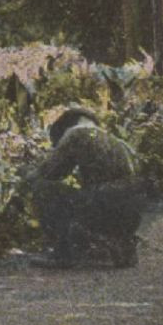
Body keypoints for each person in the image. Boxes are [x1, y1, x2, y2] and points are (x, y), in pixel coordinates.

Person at [27, 107, 146, 268]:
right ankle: (123, 249)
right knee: (94, 194)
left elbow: (50, 172)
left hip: (107, 203)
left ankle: (62, 254)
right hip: (132, 211)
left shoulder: (76, 133)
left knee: (44, 189)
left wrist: (24, 177)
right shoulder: (117, 142)